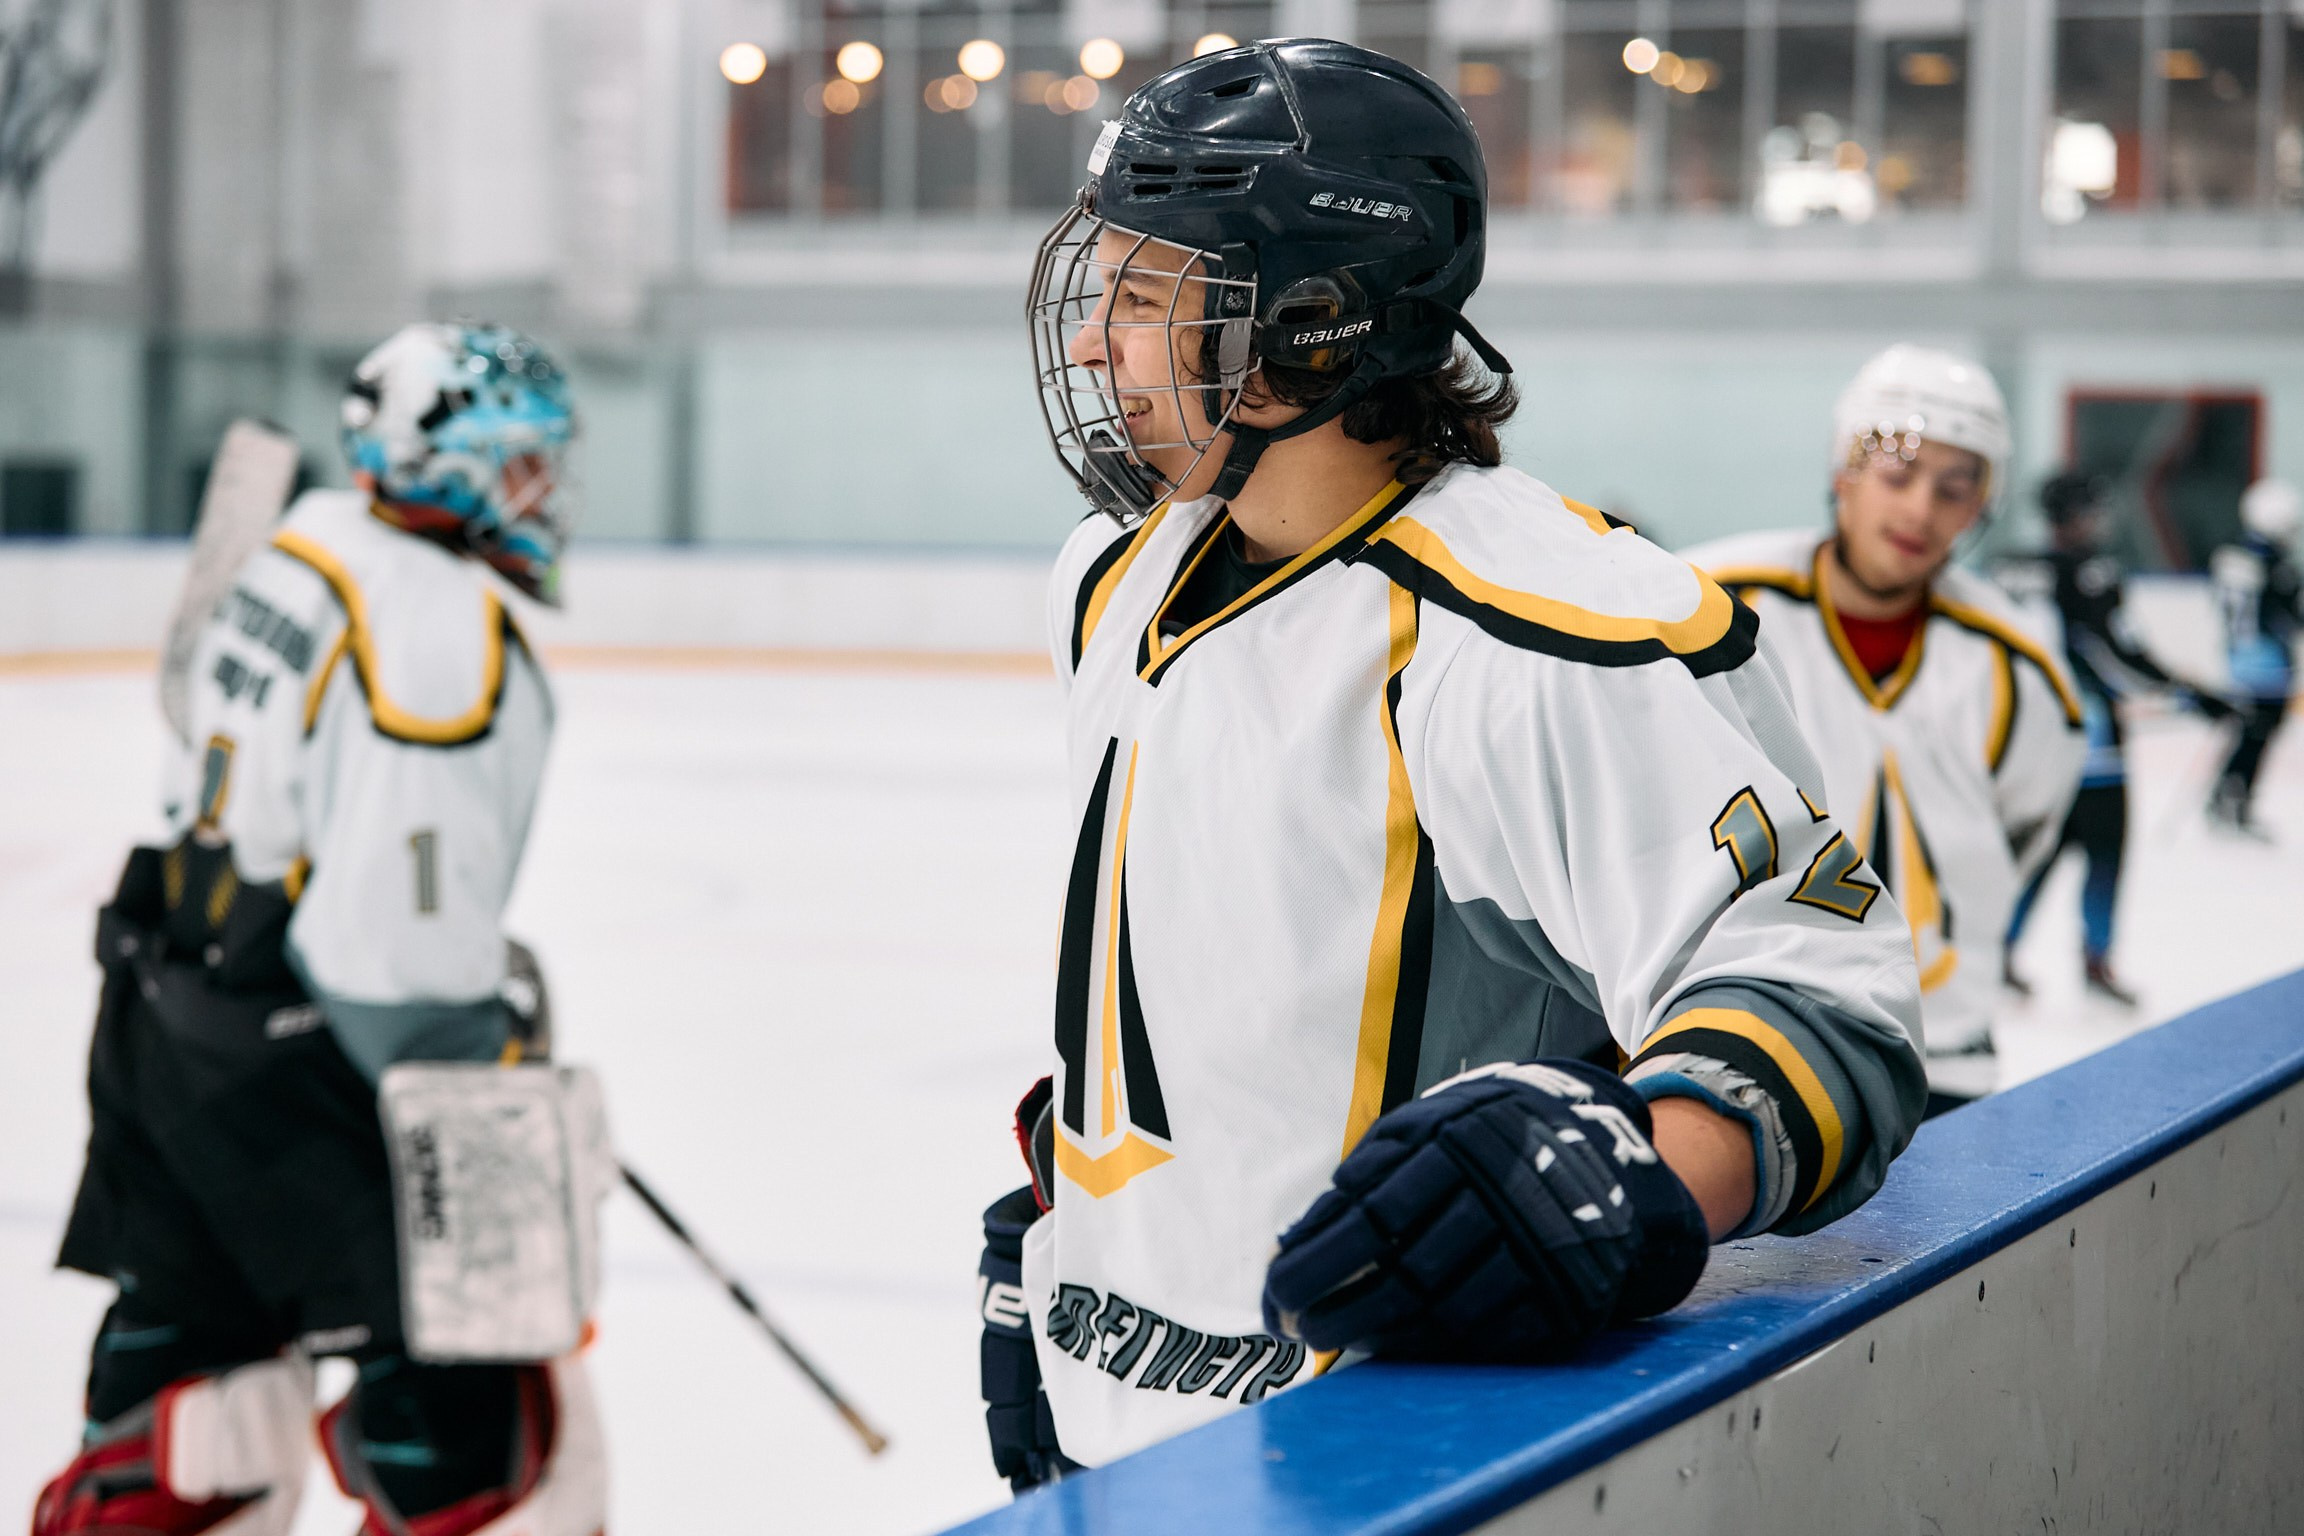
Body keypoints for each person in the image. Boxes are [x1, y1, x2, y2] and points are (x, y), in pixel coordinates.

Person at [980, 39, 1928, 1483]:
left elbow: (1827, 1001)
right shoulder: (1109, 578)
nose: (1100, 340)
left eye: (1146, 292)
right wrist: (1062, 1219)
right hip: (1108, 1425)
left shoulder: (1532, 639)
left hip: (1367, 1461)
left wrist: (1631, 1177)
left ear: (1307, 325)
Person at [35, 322, 604, 1536]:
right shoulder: (441, 629)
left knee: (191, 1428)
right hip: (314, 1088)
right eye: (523, 463)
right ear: (453, 467)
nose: (544, 491)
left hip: (170, 1023)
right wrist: (482, 1072)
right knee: (503, 1466)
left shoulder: (308, 538)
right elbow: (390, 952)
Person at [1682, 347, 2085, 1106]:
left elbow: (2023, 835)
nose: (1919, 512)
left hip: (1941, 1061)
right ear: (1844, 472)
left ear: (1982, 507)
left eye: (1954, 488)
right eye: (1897, 474)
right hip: (1738, 1040)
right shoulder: (1714, 610)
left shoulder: (2020, 671)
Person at [2002, 472, 2233, 1004]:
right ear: (2076, 513)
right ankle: (2097, 963)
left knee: (2040, 851)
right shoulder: (2091, 571)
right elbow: (2117, 653)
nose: (2100, 520)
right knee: (2104, 853)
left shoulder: (2014, 568)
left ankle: (2000, 952)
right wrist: (2193, 694)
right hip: (2094, 744)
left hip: (2032, 744)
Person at [2207, 477, 2301, 837]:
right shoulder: (2274, 563)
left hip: (2239, 657)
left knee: (2248, 733)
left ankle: (2227, 797)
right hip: (2267, 664)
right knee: (2256, 734)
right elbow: (2286, 615)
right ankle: (2234, 800)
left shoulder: (2233, 553)